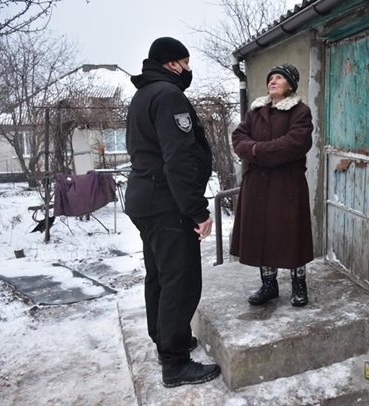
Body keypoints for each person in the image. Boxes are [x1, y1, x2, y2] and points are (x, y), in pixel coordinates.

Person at [124, 36, 220, 387]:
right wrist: (197, 210)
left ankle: (166, 338)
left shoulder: (143, 94)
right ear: (171, 64)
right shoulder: (168, 95)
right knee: (180, 281)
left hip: (146, 200)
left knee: (160, 276)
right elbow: (177, 158)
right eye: (186, 62)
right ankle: (175, 362)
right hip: (166, 203)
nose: (189, 69)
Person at [230, 63, 314, 307]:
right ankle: (269, 284)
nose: (273, 81)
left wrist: (256, 150)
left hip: (286, 185)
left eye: (279, 78)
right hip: (256, 185)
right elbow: (238, 137)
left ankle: (299, 284)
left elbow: (295, 143)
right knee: (262, 235)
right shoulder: (256, 110)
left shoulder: (300, 111)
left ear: (290, 85)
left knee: (291, 234)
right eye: (271, 78)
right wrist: (254, 149)